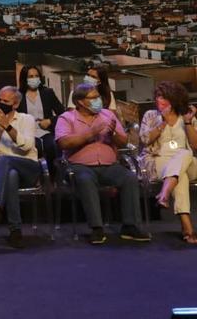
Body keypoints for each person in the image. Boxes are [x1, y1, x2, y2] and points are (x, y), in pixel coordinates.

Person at [55, 83, 150, 244]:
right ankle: (97, 228)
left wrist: (113, 134)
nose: (98, 100)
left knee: (129, 178)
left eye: (98, 97)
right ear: (80, 102)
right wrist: (91, 133)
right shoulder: (66, 118)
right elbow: (64, 143)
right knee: (85, 179)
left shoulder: (107, 115)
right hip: (80, 166)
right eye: (93, 98)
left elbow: (123, 142)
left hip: (109, 166)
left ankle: (129, 226)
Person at [0, 87, 40, 248]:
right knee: (10, 174)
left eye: (6, 101)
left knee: (5, 161)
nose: (1, 104)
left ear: (15, 104)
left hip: (28, 168)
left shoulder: (27, 119)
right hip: (2, 176)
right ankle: (15, 230)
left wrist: (8, 127)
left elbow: (27, 146)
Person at [138, 81, 197, 243]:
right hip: (157, 161)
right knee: (180, 176)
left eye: (163, 97)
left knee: (183, 154)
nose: (159, 100)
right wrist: (162, 122)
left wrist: (187, 122)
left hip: (186, 161)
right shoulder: (151, 116)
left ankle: (164, 193)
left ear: (174, 99)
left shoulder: (186, 116)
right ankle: (187, 226)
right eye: (157, 96)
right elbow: (145, 140)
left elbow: (195, 145)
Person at [17, 65, 65, 170]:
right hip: (27, 132)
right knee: (35, 147)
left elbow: (63, 114)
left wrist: (50, 121)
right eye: (30, 76)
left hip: (45, 131)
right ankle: (35, 176)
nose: (34, 78)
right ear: (24, 79)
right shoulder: (18, 95)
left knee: (52, 145)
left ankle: (53, 177)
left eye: (36, 76)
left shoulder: (47, 93)